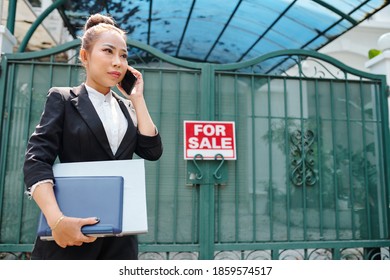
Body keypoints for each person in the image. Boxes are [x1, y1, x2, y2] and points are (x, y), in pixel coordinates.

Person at [23, 13, 163, 260]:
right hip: (71, 231)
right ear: (85, 57)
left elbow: (152, 151)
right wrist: (57, 221)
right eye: (108, 51)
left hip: (120, 238)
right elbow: (36, 162)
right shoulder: (63, 99)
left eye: (123, 55)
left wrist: (137, 98)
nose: (118, 62)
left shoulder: (126, 108)